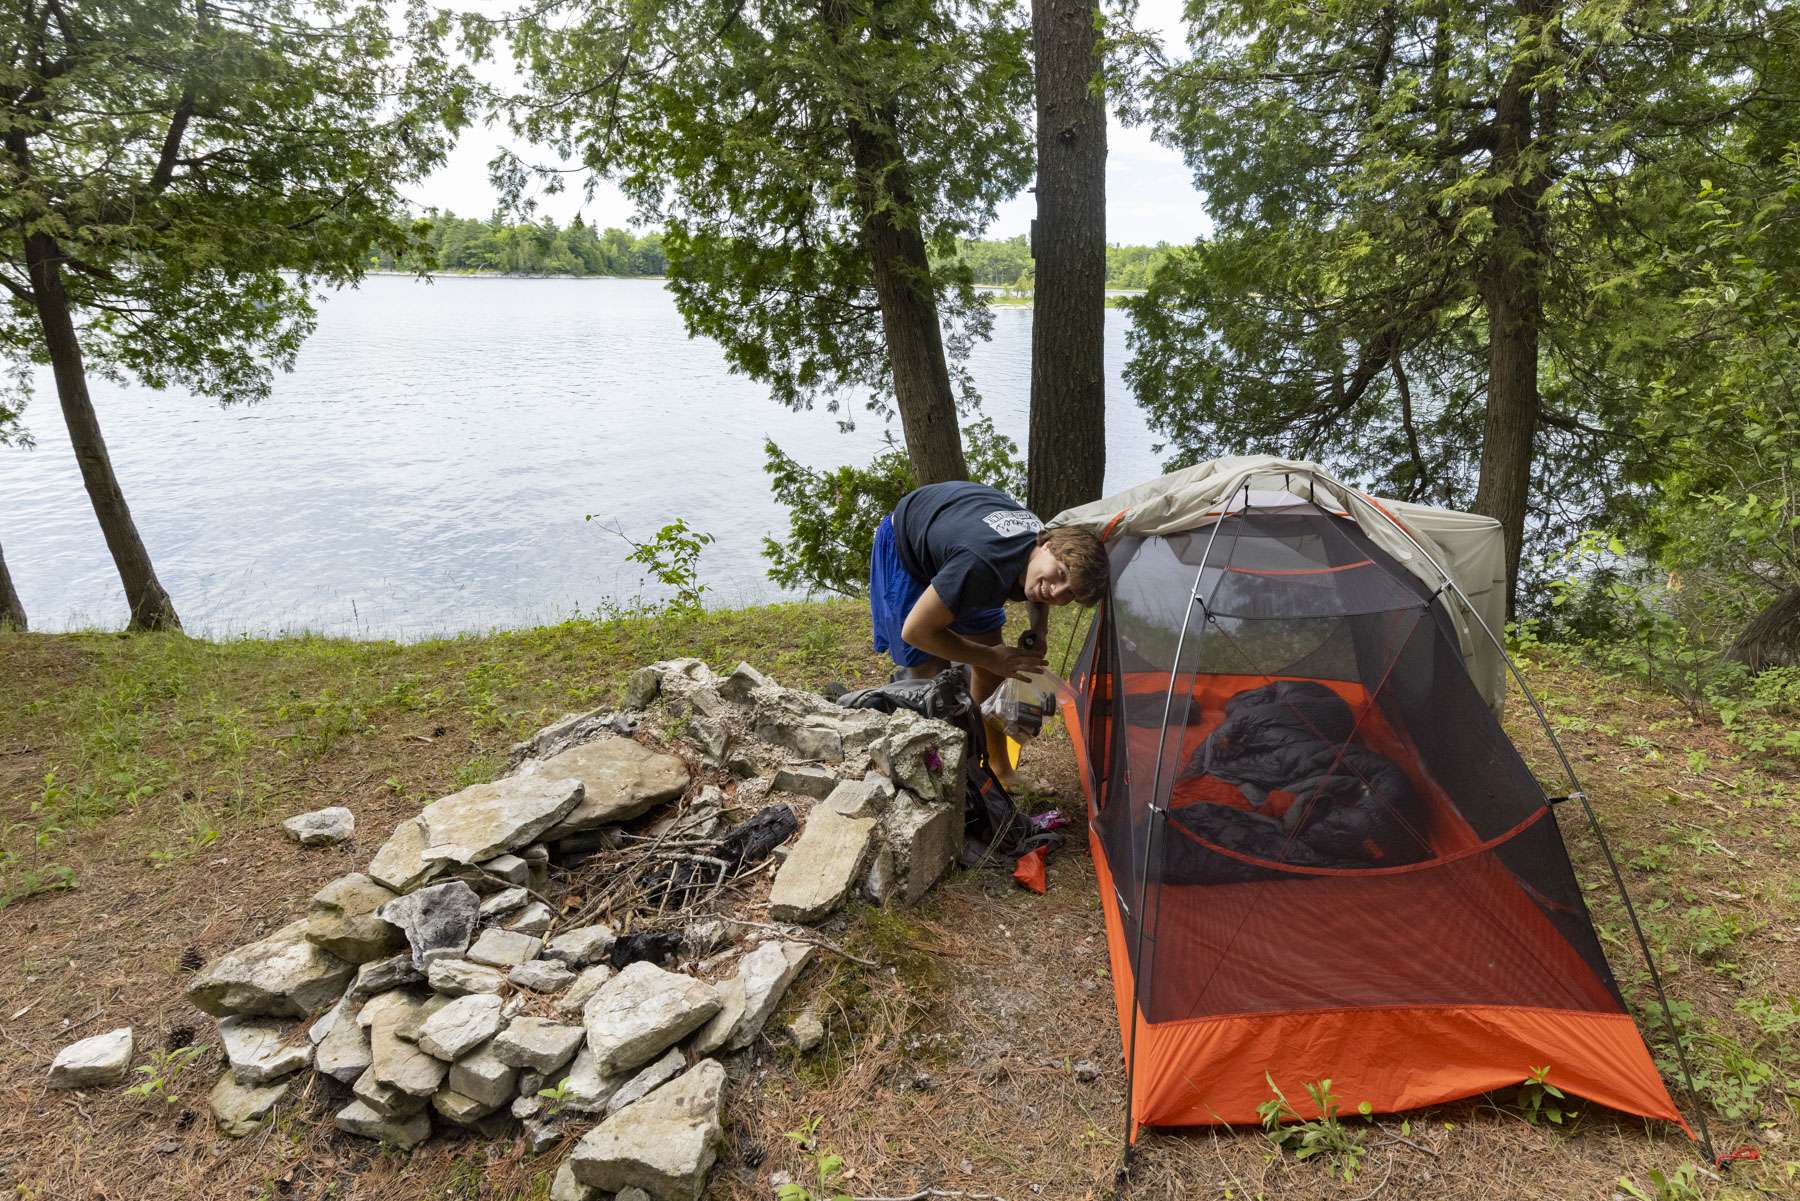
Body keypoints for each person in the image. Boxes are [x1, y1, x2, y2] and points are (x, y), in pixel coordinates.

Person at [869, 480, 1108, 702]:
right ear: (1046, 545)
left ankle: (986, 744)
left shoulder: (1038, 556)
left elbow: (1041, 588)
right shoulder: (980, 565)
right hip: (907, 544)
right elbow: (915, 631)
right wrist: (989, 657)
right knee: (929, 670)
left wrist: (1039, 629)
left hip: (961, 541)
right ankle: (933, 734)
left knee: (992, 672)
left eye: (1070, 594)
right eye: (1062, 574)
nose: (1056, 593)